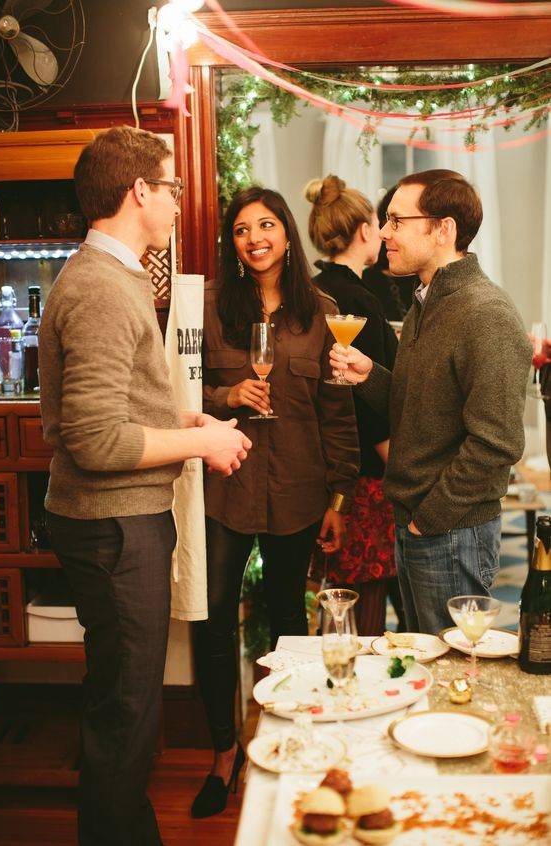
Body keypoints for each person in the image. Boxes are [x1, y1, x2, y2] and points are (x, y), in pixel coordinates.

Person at [39, 126, 252, 846]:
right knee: (126, 714)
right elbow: (96, 440)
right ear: (139, 191)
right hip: (114, 526)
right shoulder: (102, 286)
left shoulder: (113, 275)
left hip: (118, 520)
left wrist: (182, 418)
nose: (178, 203)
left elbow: (112, 407)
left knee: (122, 704)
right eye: (172, 188)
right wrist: (201, 442)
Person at [193, 185, 359, 818]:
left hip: (297, 487)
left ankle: (289, 737)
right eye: (241, 229)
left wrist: (338, 497)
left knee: (288, 619)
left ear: (287, 233)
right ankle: (223, 753)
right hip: (225, 486)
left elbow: (336, 412)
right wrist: (227, 397)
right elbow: (180, 388)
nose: (254, 238)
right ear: (232, 243)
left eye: (265, 225)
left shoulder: (322, 311)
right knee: (212, 616)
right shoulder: (209, 307)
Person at [329, 169, 533, 635]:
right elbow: (421, 408)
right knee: (427, 659)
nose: (384, 232)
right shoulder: (427, 301)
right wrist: (370, 375)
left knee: (451, 666)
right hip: (415, 521)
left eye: (397, 221)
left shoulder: (485, 313)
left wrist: (431, 517)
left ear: (444, 230)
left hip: (451, 529)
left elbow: (498, 443)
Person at [305, 175, 404, 635]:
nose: (383, 234)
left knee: (333, 596)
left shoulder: (311, 289)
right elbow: (367, 400)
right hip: (364, 473)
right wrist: (397, 464)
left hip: (319, 465)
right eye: (379, 224)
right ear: (365, 231)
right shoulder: (361, 300)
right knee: (365, 600)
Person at [361, 186, 419, 321]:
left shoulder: (435, 284)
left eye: (397, 221)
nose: (384, 233)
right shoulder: (367, 282)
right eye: (388, 220)